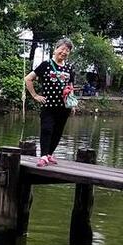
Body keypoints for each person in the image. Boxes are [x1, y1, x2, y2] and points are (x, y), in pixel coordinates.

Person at [25, 38, 76, 167]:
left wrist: (72, 103)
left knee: (58, 131)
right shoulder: (46, 65)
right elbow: (28, 79)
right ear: (55, 49)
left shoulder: (69, 68)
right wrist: (35, 95)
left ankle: (49, 154)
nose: (64, 52)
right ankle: (43, 156)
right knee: (47, 129)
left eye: (67, 50)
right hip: (48, 105)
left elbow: (70, 86)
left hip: (64, 107)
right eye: (62, 49)